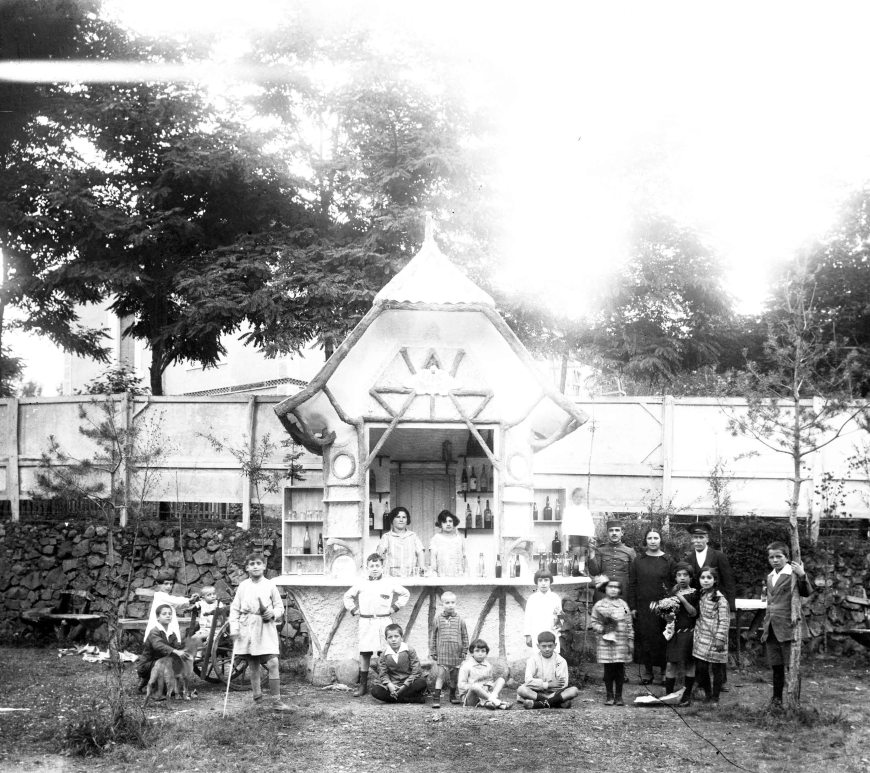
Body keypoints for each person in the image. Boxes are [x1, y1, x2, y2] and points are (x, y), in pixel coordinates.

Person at [228, 552, 293, 712]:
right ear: (247, 568)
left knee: (272, 662)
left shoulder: (270, 585)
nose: (255, 566)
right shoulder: (243, 586)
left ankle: (277, 702)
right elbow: (235, 609)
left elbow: (279, 607)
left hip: (265, 628)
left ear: (264, 566)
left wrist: (273, 613)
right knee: (253, 664)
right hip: (247, 627)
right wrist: (234, 628)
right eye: (252, 564)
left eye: (258, 563)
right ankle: (257, 699)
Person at [343, 553, 411, 697]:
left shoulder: (389, 583)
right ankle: (363, 686)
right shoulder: (361, 583)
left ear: (382, 567)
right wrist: (354, 610)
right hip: (366, 621)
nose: (375, 569)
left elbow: (405, 594)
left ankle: (386, 683)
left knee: (384, 653)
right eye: (372, 566)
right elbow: (347, 596)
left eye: (377, 566)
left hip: (383, 621)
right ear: (367, 568)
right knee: (365, 652)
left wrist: (395, 608)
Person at [684, 521, 736, 691]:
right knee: (700, 642)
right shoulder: (688, 558)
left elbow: (728, 581)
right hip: (698, 606)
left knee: (717, 644)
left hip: (716, 606)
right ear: (692, 540)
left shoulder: (718, 556)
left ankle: (720, 682)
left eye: (701, 537)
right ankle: (701, 681)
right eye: (695, 537)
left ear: (707, 538)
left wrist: (732, 608)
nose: (698, 541)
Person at [759, 541, 812, 707]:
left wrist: (802, 575)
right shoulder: (770, 576)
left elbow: (806, 592)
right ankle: (776, 700)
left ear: (787, 558)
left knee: (792, 665)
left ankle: (794, 701)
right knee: (776, 666)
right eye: (771, 557)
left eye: (779, 556)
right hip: (772, 627)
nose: (775, 560)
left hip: (789, 626)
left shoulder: (793, 573)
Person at [628, 528, 675, 685]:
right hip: (643, 606)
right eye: (650, 538)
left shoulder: (668, 561)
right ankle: (648, 672)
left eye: (656, 538)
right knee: (646, 639)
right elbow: (632, 585)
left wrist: (669, 605)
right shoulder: (638, 561)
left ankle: (663, 671)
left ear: (660, 540)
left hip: (663, 606)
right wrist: (633, 607)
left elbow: (673, 584)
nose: (653, 541)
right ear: (645, 540)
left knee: (663, 638)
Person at [591, 577, 634, 706]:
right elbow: (594, 622)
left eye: (616, 587)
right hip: (606, 641)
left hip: (620, 641)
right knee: (608, 669)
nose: (614, 590)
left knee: (620, 669)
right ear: (605, 588)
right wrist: (602, 628)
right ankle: (609, 695)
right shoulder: (599, 605)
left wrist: (630, 640)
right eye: (611, 587)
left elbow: (629, 622)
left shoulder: (624, 605)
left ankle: (619, 696)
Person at [692, 566, 730, 707]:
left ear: (715, 580)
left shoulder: (720, 599)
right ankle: (707, 694)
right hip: (702, 636)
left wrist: (720, 638)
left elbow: (724, 620)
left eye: (709, 578)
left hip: (716, 637)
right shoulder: (701, 594)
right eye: (703, 578)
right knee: (701, 667)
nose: (706, 580)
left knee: (717, 669)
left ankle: (715, 697)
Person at [135, 603, 194, 692]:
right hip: (147, 664)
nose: (168, 616)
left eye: (170, 614)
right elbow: (158, 645)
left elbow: (177, 646)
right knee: (165, 665)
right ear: (158, 617)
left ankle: (154, 685)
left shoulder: (171, 632)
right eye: (164, 614)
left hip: (161, 662)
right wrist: (175, 651)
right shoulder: (154, 631)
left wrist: (187, 647)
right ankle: (151, 684)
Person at [663, 562, 698, 707]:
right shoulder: (671, 593)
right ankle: (668, 695)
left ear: (690, 577)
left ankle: (686, 696)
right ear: (675, 577)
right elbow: (666, 614)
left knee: (689, 664)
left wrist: (681, 598)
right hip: (675, 633)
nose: (682, 578)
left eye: (685, 575)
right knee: (671, 664)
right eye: (679, 575)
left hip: (689, 632)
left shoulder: (695, 593)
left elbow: (693, 612)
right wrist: (667, 616)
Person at [516, 631, 580, 709]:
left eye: (550, 646)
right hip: (536, 692)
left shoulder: (560, 661)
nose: (547, 649)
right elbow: (528, 681)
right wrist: (548, 684)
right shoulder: (533, 660)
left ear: (555, 645)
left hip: (555, 693)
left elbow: (562, 684)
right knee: (521, 690)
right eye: (544, 646)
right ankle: (556, 702)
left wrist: (552, 689)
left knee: (574, 690)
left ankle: (538, 704)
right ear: (538, 646)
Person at [428, 590, 469, 707]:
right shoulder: (438, 619)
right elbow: (433, 636)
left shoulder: (460, 619)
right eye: (447, 603)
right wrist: (433, 651)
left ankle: (452, 695)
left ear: (456, 603)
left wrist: (464, 651)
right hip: (442, 652)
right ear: (442, 604)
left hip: (456, 653)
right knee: (440, 676)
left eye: (452, 602)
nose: (450, 605)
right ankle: (436, 698)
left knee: (454, 677)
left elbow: (465, 636)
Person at [370, 623, 428, 703]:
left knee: (421, 683)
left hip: (409, 684)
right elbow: (383, 673)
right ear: (386, 639)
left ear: (401, 637)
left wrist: (404, 686)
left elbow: (416, 671)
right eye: (390, 637)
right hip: (394, 684)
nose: (393, 639)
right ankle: (412, 699)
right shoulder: (384, 654)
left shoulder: (409, 650)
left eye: (396, 636)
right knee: (375, 691)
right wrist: (390, 685)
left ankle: (396, 698)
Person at [588, 519, 636, 602]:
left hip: (622, 592)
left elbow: (634, 576)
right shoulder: (600, 550)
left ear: (622, 533)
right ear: (607, 533)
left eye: (617, 530)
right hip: (603, 591)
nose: (614, 533)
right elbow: (594, 572)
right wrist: (592, 554)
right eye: (611, 530)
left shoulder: (630, 551)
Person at [143, 570, 198, 642]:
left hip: (166, 622)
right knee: (159, 639)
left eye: (171, 584)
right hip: (158, 624)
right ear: (158, 584)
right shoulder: (160, 595)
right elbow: (175, 601)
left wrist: (189, 600)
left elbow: (176, 603)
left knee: (169, 636)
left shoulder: (166, 596)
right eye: (165, 584)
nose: (168, 586)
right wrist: (190, 600)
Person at [456, 638, 510, 709]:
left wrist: (487, 686)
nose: (480, 654)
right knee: (475, 686)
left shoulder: (488, 665)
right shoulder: (466, 666)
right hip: (471, 697)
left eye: (483, 651)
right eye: (477, 651)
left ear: (486, 653)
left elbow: (490, 680)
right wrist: (478, 686)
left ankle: (491, 701)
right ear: (472, 653)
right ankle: (497, 702)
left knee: (501, 680)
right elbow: (461, 685)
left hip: (485, 694)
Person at [377, 506, 425, 577]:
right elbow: (378, 555)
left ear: (407, 520)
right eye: (398, 517)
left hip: (410, 577)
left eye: (404, 517)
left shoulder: (413, 536)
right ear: (392, 520)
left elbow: (420, 553)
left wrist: (421, 570)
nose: (401, 520)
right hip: (392, 578)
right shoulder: (386, 537)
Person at [523, 570, 564, 653]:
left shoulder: (555, 598)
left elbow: (560, 617)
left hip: (551, 633)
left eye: (546, 580)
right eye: (540, 580)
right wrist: (528, 635)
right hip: (537, 633)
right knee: (538, 658)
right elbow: (528, 617)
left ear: (550, 582)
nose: (543, 583)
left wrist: (556, 630)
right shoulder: (532, 599)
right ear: (536, 582)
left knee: (552, 658)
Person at [561, 486, 595, 564]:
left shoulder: (585, 510)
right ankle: (575, 568)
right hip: (573, 533)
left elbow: (590, 523)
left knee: (583, 552)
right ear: (572, 497)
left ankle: (581, 569)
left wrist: (591, 534)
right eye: (576, 497)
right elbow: (565, 522)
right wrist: (565, 533)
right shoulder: (568, 510)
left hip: (584, 534)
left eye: (581, 497)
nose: (579, 499)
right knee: (576, 551)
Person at [429, 510, 466, 577]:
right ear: (440, 524)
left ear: (454, 523)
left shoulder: (459, 539)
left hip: (458, 577)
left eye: (450, 521)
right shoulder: (436, 539)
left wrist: (465, 573)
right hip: (442, 577)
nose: (448, 524)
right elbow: (433, 561)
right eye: (445, 522)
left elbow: (464, 558)